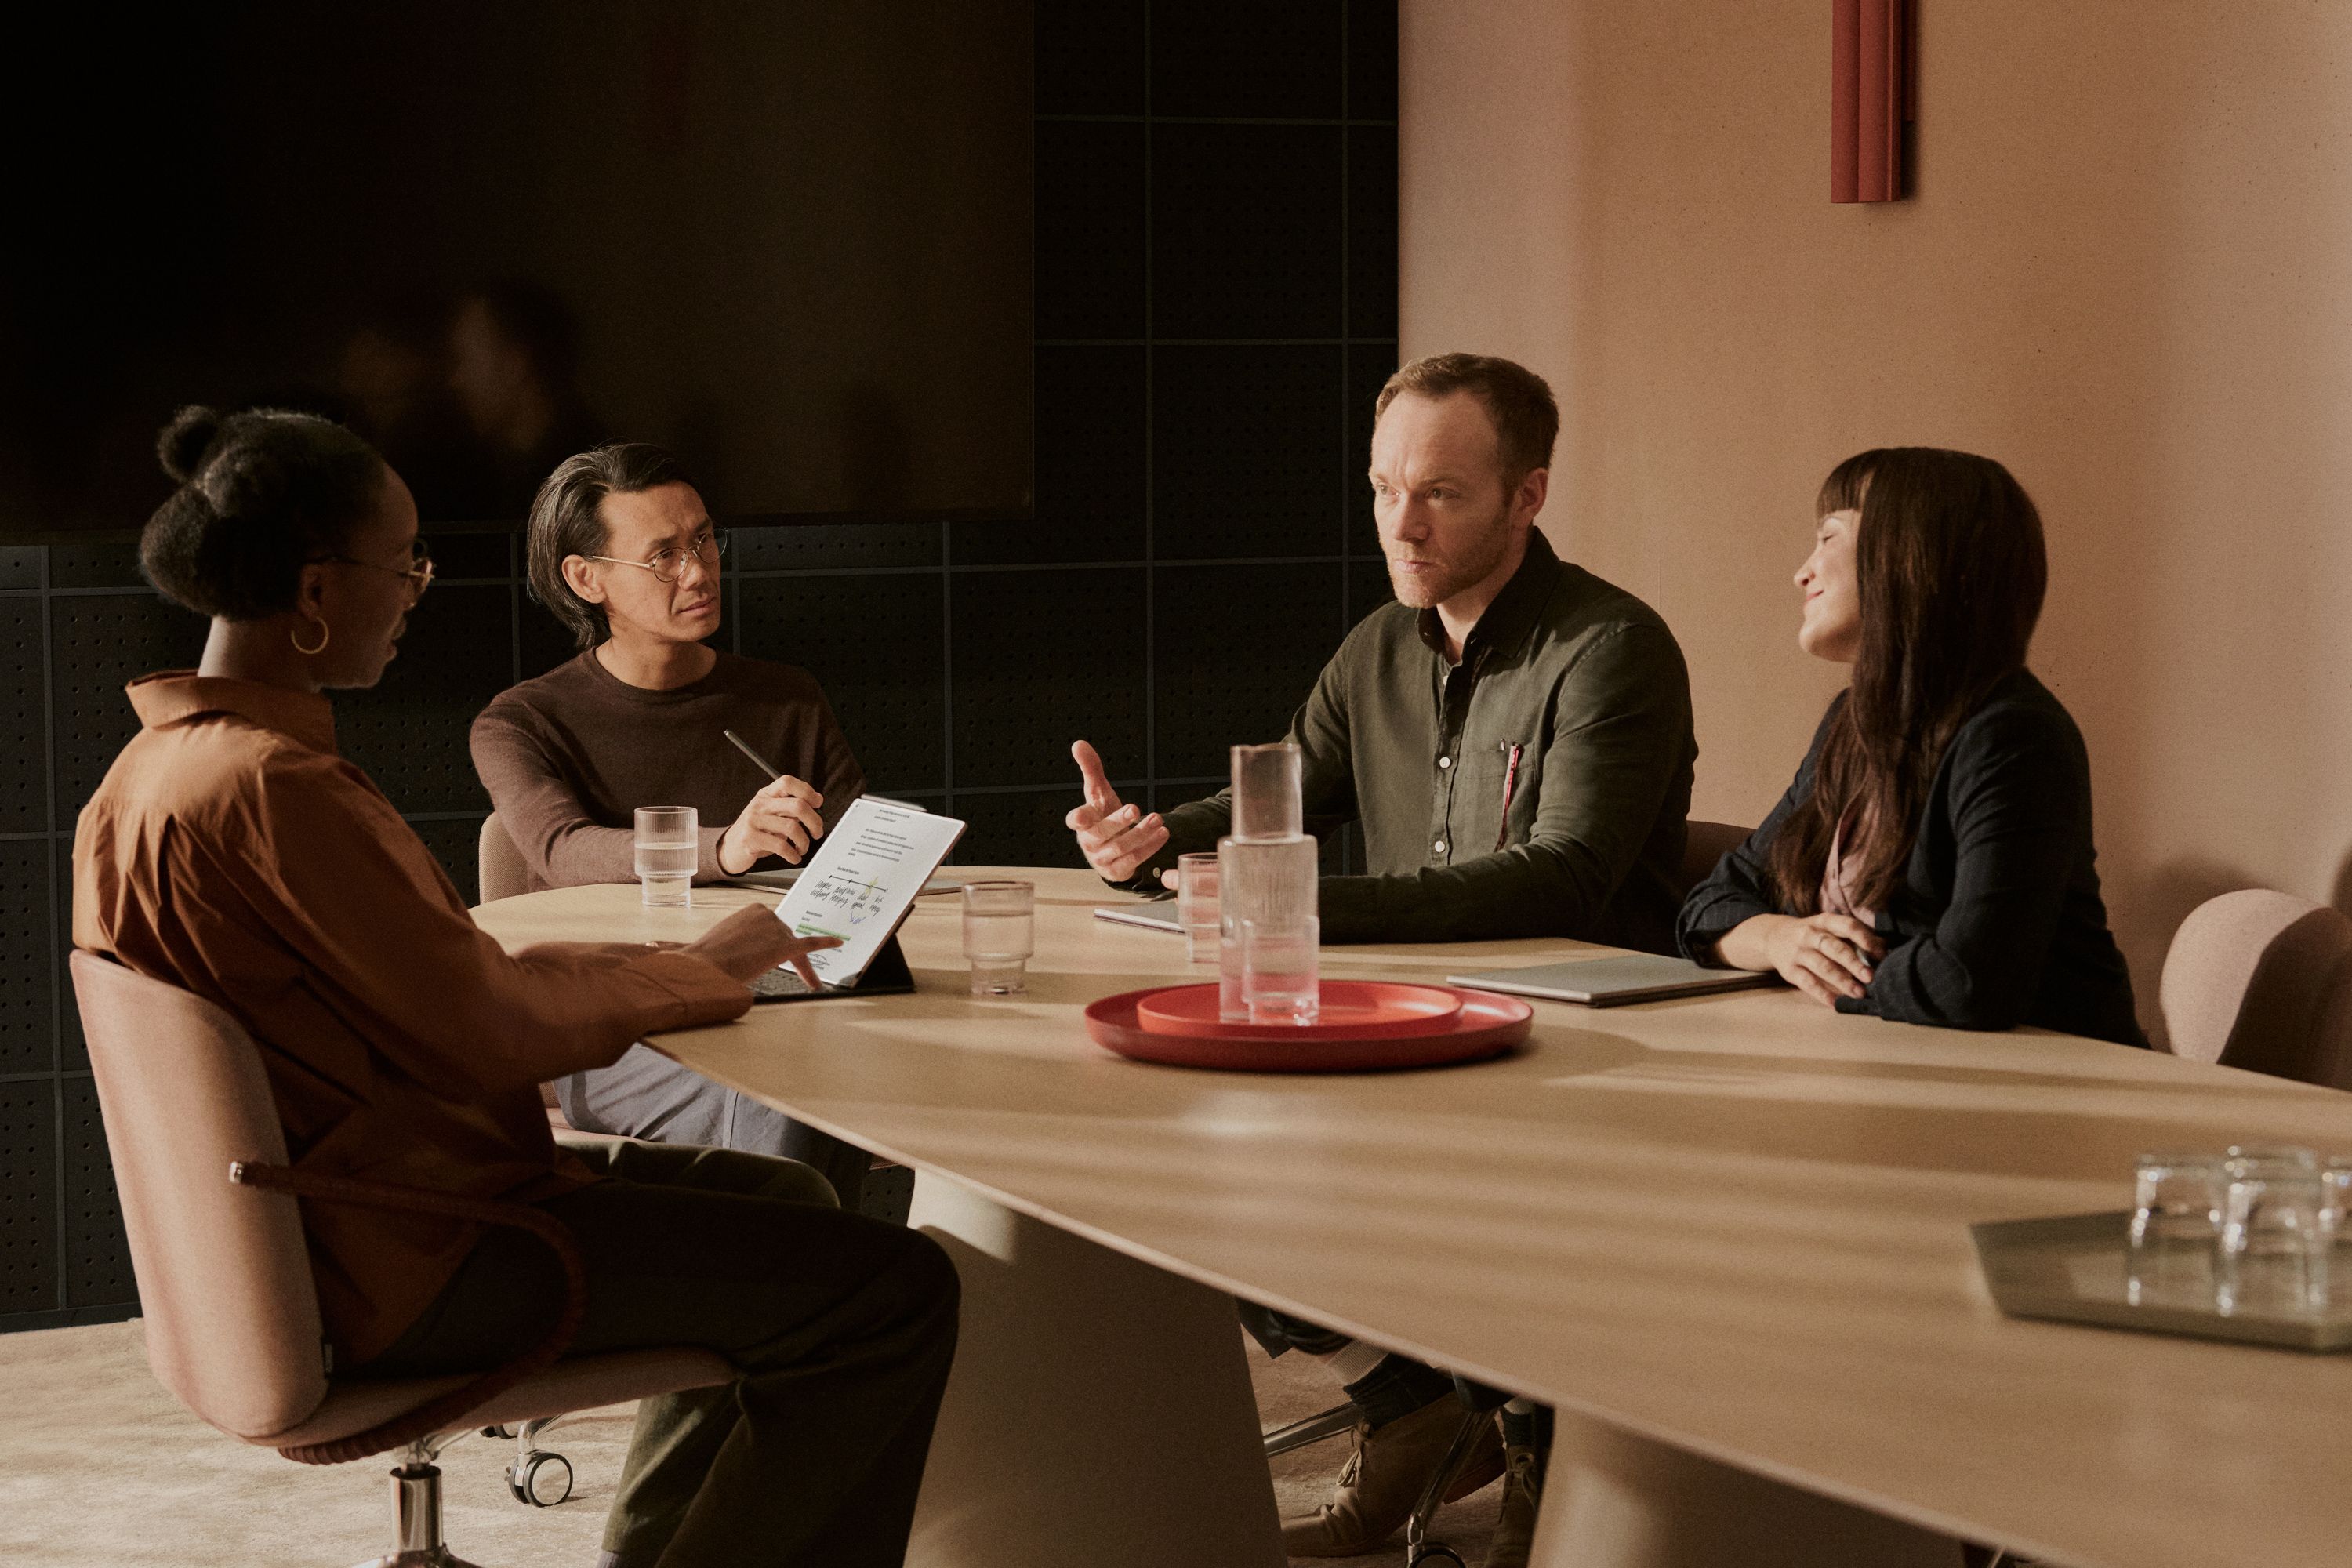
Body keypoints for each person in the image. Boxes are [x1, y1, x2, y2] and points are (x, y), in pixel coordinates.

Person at [76, 405, 957, 1568]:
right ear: (315, 590)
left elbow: (459, 985)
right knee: (893, 1291)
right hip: (420, 1254)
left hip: (312, 1238)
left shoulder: (147, 778)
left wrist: (695, 963)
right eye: (405, 566)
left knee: (785, 1197)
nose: (415, 595)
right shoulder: (280, 790)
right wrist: (703, 976)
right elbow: (494, 1031)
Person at [1068, 353, 1699, 1560]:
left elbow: (1566, 876)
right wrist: (1147, 843)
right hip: (1415, 1027)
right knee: (1186, 1150)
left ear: (1527, 495)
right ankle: (1411, 1402)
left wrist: (1295, 905)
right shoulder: (1375, 650)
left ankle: (1536, 1462)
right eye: (1383, 489)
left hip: (1586, 1052)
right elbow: (1274, 806)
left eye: (1441, 494)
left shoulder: (1611, 645)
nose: (1400, 525)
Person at [469, 442, 877, 1207]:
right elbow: (563, 850)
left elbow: (859, 862)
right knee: (795, 1091)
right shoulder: (521, 722)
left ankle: (812, 1271)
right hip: (612, 1026)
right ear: (586, 578)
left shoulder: (787, 697)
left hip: (789, 1004)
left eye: (703, 540)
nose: (698, 571)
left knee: (854, 1068)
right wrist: (727, 846)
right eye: (664, 555)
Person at [1678, 446, 2145, 1047]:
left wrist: (1829, 967)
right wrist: (1780, 940)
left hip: (2056, 1076)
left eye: (1829, 537)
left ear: (1910, 557)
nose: (1803, 572)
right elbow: (1711, 904)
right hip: (1895, 1060)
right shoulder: (1851, 724)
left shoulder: (2014, 736)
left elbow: (1969, 981)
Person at [447, 278, 608, 517]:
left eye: (466, 360)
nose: (456, 381)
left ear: (515, 365)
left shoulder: (591, 481)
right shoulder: (485, 472)